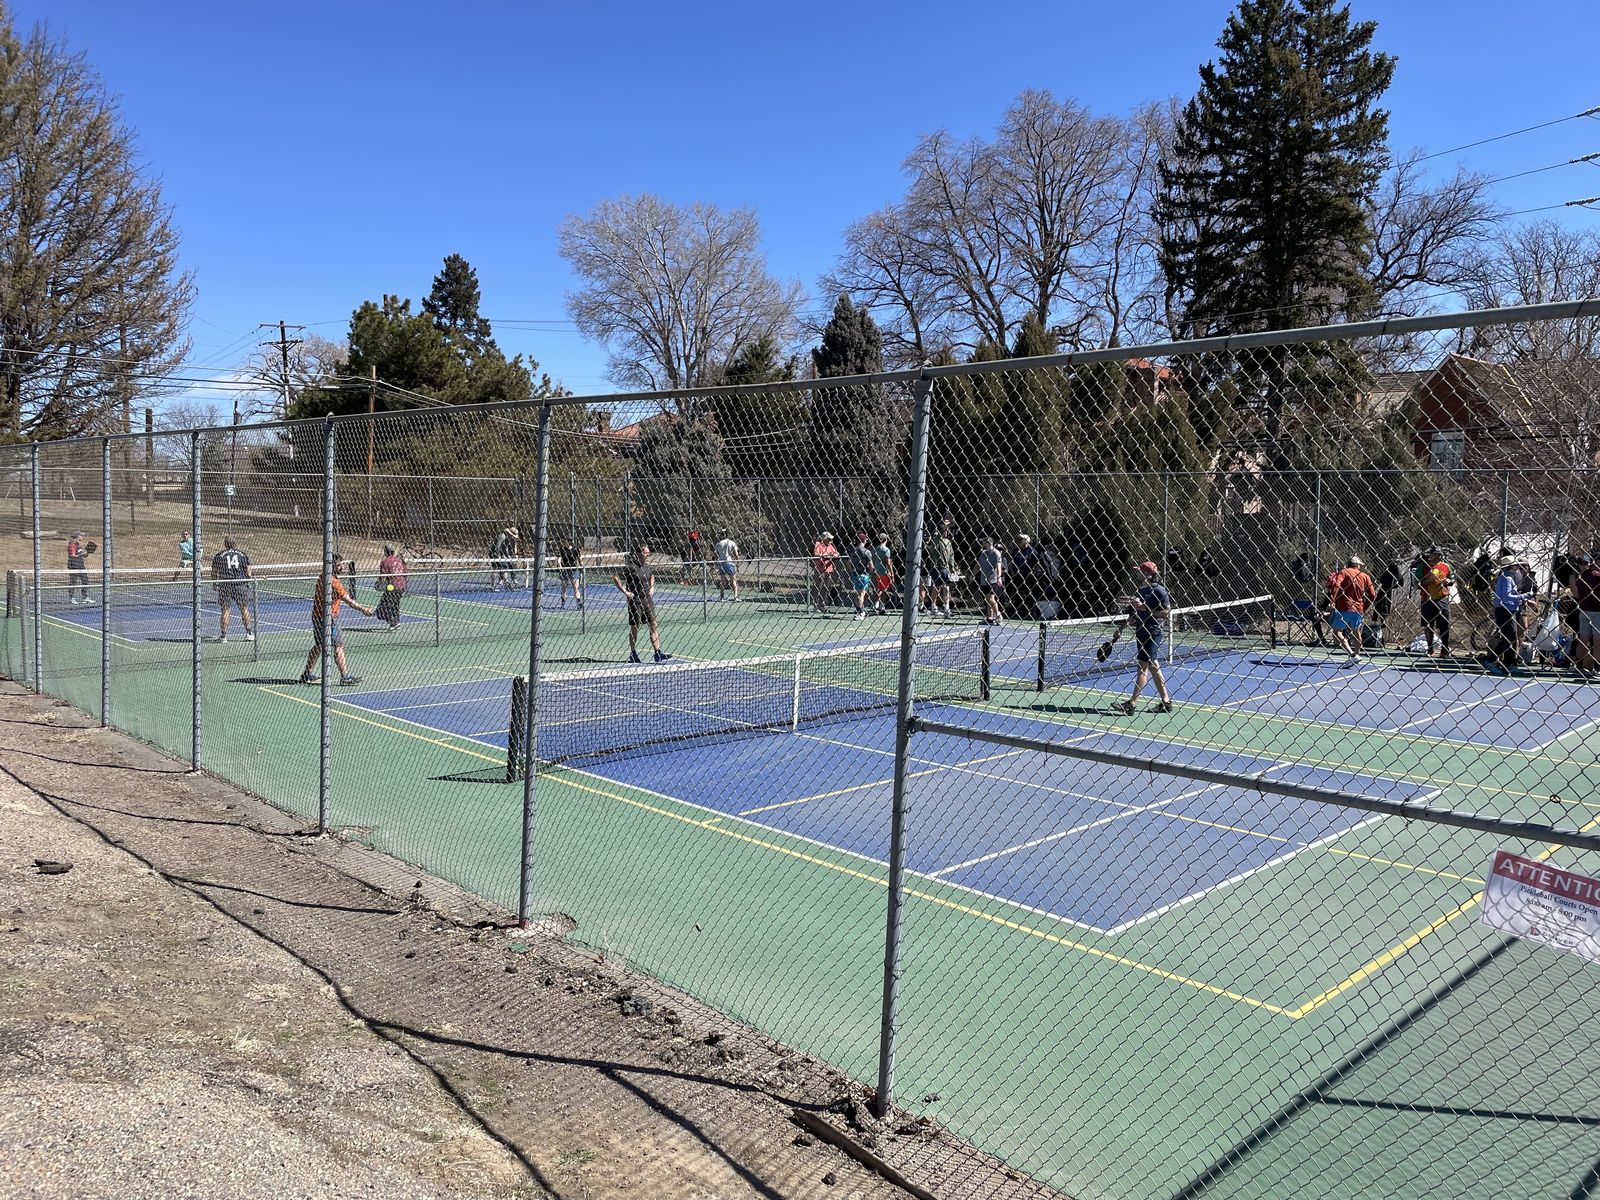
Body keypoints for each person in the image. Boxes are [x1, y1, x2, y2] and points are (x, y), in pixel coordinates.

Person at [300, 558, 373, 687]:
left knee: (319, 646)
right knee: (338, 646)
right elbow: (348, 600)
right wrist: (363, 609)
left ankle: (307, 674)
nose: (342, 567)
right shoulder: (334, 583)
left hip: (317, 616)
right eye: (339, 565)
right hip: (329, 619)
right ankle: (345, 677)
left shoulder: (322, 576)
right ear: (332, 566)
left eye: (342, 564)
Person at [1117, 560, 1173, 715]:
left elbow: (1166, 613)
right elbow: (1135, 613)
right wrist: (1121, 628)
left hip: (1152, 633)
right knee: (1154, 667)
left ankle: (1132, 703)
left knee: (1142, 667)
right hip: (1140, 632)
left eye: (1140, 570)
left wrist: (1147, 609)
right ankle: (1166, 702)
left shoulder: (1160, 591)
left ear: (1147, 574)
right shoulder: (1141, 590)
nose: (1137, 573)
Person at [613, 542, 670, 663]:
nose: (647, 554)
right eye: (645, 552)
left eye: (648, 552)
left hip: (647, 601)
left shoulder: (646, 567)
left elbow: (652, 577)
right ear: (638, 553)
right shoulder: (631, 567)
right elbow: (615, 577)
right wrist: (626, 592)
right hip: (635, 601)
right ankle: (633, 653)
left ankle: (657, 653)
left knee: (653, 624)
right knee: (635, 627)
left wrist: (652, 588)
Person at [1489, 551, 1535, 675]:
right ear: (1511, 566)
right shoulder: (1507, 578)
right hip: (1504, 610)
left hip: (1509, 609)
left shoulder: (1507, 578)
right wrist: (1525, 596)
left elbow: (1511, 594)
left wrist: (1522, 597)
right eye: (1516, 565)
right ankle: (1491, 660)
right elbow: (1507, 596)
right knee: (1509, 638)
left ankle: (1509, 663)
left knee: (1512, 638)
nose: (1518, 567)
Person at [1325, 555, 1377, 665]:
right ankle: (1357, 654)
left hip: (1344, 606)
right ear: (1358, 565)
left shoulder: (1344, 572)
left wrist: (1332, 600)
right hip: (1359, 608)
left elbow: (1337, 585)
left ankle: (1352, 654)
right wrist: (1365, 605)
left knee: (1337, 632)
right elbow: (1372, 594)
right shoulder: (1365, 576)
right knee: (1356, 631)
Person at [210, 536, 255, 642]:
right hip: (240, 584)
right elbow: (248, 572)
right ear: (235, 544)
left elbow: (214, 572)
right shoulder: (242, 555)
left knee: (225, 609)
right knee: (244, 608)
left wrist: (214, 583)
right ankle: (249, 633)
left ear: (225, 544)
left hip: (225, 584)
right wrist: (249, 580)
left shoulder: (219, 556)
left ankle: (224, 636)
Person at [1417, 549, 1453, 658]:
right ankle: (1430, 648)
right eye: (1436, 555)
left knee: (1444, 625)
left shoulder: (1446, 566)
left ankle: (1445, 649)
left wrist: (1448, 581)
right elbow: (1417, 583)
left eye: (1439, 554)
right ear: (1431, 555)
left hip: (1442, 598)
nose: (1438, 557)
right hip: (1427, 598)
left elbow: (1452, 579)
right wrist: (1429, 580)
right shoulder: (1422, 567)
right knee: (1428, 625)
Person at [1290, 551, 1327, 646]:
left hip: (1329, 611)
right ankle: (1321, 638)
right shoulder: (1300, 570)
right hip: (1312, 604)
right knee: (1314, 615)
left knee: (1315, 614)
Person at [1571, 553, 1600, 675]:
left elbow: (1577, 594)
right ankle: (1597, 668)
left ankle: (1579, 666)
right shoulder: (1594, 575)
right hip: (1596, 611)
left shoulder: (1582, 575)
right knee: (1597, 640)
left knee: (1583, 639)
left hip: (1584, 610)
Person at [924, 518, 954, 617]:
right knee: (936, 588)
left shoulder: (948, 542)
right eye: (944, 531)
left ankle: (946, 608)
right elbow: (936, 533)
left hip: (945, 568)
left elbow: (951, 556)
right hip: (936, 567)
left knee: (946, 588)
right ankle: (933, 606)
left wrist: (952, 568)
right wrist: (945, 525)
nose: (945, 532)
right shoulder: (936, 539)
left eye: (946, 531)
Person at [374, 543, 407, 628]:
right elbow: (405, 572)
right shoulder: (399, 560)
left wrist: (379, 584)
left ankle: (393, 622)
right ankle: (396, 621)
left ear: (385, 551)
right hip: (402, 585)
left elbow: (382, 576)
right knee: (395, 603)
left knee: (389, 604)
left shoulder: (385, 561)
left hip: (393, 586)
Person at [1010, 534, 1040, 618]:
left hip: (1028, 577)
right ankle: (1019, 612)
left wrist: (1032, 572)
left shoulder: (1032, 551)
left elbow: (1037, 563)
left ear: (1027, 541)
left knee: (1029, 595)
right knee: (1017, 594)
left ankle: (1029, 612)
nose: (1019, 541)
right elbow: (1011, 563)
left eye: (1021, 539)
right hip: (1017, 576)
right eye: (1019, 539)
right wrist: (1013, 572)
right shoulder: (1016, 551)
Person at [977, 535, 1004, 626]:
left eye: (984, 542)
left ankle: (998, 615)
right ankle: (990, 618)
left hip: (992, 579)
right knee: (987, 599)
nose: (982, 544)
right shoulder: (983, 553)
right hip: (983, 580)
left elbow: (999, 566)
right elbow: (978, 565)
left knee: (991, 598)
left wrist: (999, 578)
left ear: (988, 542)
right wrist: (973, 574)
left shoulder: (996, 553)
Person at [847, 531, 874, 621]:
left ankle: (859, 609)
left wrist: (852, 572)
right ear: (863, 540)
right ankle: (861, 612)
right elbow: (871, 565)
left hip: (855, 575)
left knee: (859, 593)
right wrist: (872, 570)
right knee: (862, 594)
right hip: (864, 575)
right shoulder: (867, 552)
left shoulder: (853, 551)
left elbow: (849, 563)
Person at [810, 531, 839, 613]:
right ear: (824, 539)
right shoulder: (818, 544)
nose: (830, 541)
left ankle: (822, 604)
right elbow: (816, 554)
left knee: (826, 587)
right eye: (829, 539)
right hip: (820, 569)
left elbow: (836, 553)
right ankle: (816, 605)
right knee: (818, 587)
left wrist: (834, 555)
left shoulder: (830, 545)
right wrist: (825, 555)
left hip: (829, 569)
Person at [64, 530, 96, 606]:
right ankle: (72, 598)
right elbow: (72, 555)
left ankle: (85, 598)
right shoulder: (71, 545)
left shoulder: (79, 545)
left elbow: (84, 555)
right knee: (73, 581)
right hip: (73, 564)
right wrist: (80, 554)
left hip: (81, 564)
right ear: (77, 537)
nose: (82, 537)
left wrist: (87, 552)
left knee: (85, 580)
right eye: (81, 535)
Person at [556, 536, 583, 609]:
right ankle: (563, 603)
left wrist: (582, 567)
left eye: (565, 541)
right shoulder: (561, 550)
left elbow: (579, 559)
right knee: (564, 588)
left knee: (575, 587)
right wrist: (560, 567)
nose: (563, 542)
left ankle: (579, 603)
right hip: (565, 570)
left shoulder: (575, 549)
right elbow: (559, 560)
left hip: (573, 570)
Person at [488, 526, 519, 591]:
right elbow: (497, 547)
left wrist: (508, 556)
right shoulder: (502, 536)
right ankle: (494, 586)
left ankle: (505, 584)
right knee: (497, 568)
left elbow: (504, 549)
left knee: (503, 568)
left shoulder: (508, 539)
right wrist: (498, 557)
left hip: (499, 554)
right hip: (494, 554)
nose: (513, 537)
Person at [871, 532, 894, 616]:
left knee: (880, 589)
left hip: (877, 572)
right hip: (884, 572)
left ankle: (880, 607)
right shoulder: (886, 550)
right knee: (883, 589)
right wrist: (891, 573)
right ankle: (878, 606)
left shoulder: (875, 549)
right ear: (885, 540)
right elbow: (888, 562)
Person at [713, 529, 739, 602]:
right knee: (733, 580)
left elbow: (715, 554)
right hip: (729, 563)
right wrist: (737, 563)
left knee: (723, 581)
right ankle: (735, 597)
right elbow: (736, 554)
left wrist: (717, 561)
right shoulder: (732, 543)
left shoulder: (718, 544)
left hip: (721, 563)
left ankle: (722, 597)